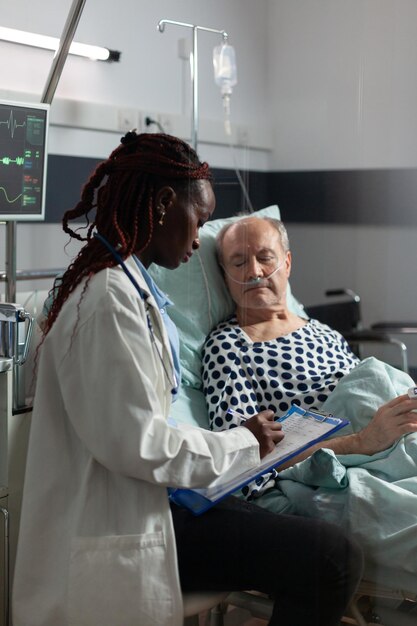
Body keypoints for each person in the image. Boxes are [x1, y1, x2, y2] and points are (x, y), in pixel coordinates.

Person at [13, 133, 363, 626]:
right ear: (161, 205)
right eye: (198, 220)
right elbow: (140, 444)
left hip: (166, 501)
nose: (199, 238)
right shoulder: (109, 300)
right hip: (127, 522)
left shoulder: (133, 290)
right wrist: (242, 441)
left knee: (326, 551)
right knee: (331, 558)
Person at [202, 215, 417, 500]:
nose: (254, 271)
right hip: (348, 465)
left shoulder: (325, 333)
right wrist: (363, 441)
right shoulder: (228, 347)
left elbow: (368, 389)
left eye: (265, 258)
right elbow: (241, 458)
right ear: (225, 274)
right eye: (239, 263)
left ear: (287, 263)